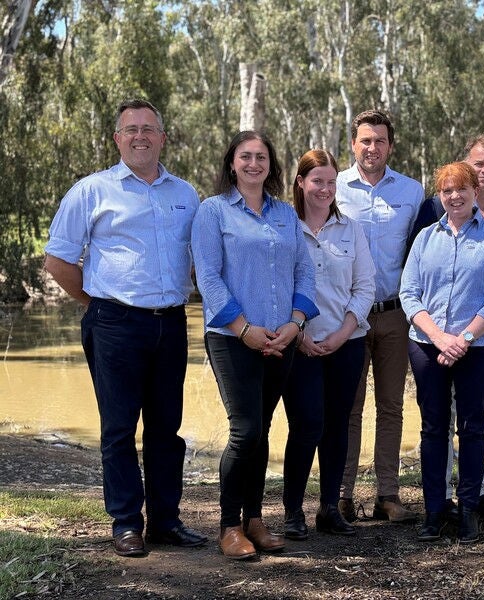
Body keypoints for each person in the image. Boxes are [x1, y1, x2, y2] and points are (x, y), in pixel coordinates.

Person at [43, 99, 207, 557]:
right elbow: (57, 260)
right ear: (117, 139)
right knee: (118, 429)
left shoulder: (185, 195)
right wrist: (96, 303)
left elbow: (200, 261)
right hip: (114, 322)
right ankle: (126, 523)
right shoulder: (91, 191)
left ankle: (166, 522)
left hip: (171, 323)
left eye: (149, 129)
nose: (140, 136)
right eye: (131, 129)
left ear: (162, 137)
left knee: (166, 429)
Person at [191, 131, 318, 560]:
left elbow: (305, 271)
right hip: (231, 338)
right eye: (245, 156)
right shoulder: (213, 212)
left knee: (261, 432)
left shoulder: (285, 215)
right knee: (244, 431)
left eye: (260, 156)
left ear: (271, 165)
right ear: (232, 163)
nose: (252, 163)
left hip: (282, 338)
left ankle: (255, 519)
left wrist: (296, 324)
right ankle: (229, 526)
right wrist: (245, 329)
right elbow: (207, 277)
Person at [400, 162, 484, 543]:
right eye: (447, 190)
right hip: (427, 347)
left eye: (461, 188)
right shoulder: (425, 239)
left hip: (479, 347)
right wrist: (438, 337)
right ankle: (434, 510)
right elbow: (409, 293)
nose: (454, 196)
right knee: (433, 429)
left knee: (473, 427)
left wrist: (462, 338)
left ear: (473, 191)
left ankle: (468, 508)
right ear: (440, 194)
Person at [281, 150, 376, 539]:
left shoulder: (350, 229)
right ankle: (292, 513)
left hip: (346, 344)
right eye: (317, 180)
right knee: (305, 425)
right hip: (296, 345)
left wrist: (343, 332)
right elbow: (276, 287)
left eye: (331, 182)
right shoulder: (284, 226)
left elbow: (364, 285)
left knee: (337, 426)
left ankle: (329, 510)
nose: (324, 188)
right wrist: (298, 335)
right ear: (301, 182)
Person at [336, 109, 424, 523]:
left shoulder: (411, 191)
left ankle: (389, 495)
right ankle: (341, 495)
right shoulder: (331, 187)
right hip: (346, 318)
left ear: (391, 145)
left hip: (393, 315)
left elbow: (421, 254)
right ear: (353, 144)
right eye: (365, 140)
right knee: (347, 408)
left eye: (380, 141)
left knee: (391, 407)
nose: (372, 148)